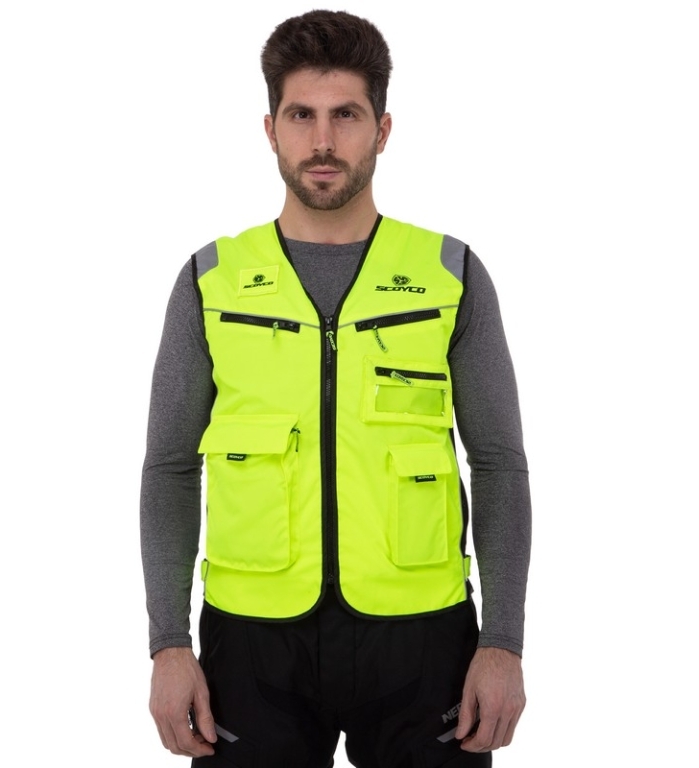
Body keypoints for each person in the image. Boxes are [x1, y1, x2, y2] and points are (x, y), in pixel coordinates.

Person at [141, 10, 531, 767]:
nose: (323, 141)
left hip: (424, 640)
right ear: (270, 129)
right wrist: (167, 644)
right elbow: (169, 467)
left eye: (345, 116)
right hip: (251, 643)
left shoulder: (449, 274)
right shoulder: (210, 280)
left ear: (382, 130)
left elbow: (500, 464)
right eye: (302, 116)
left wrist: (504, 643)